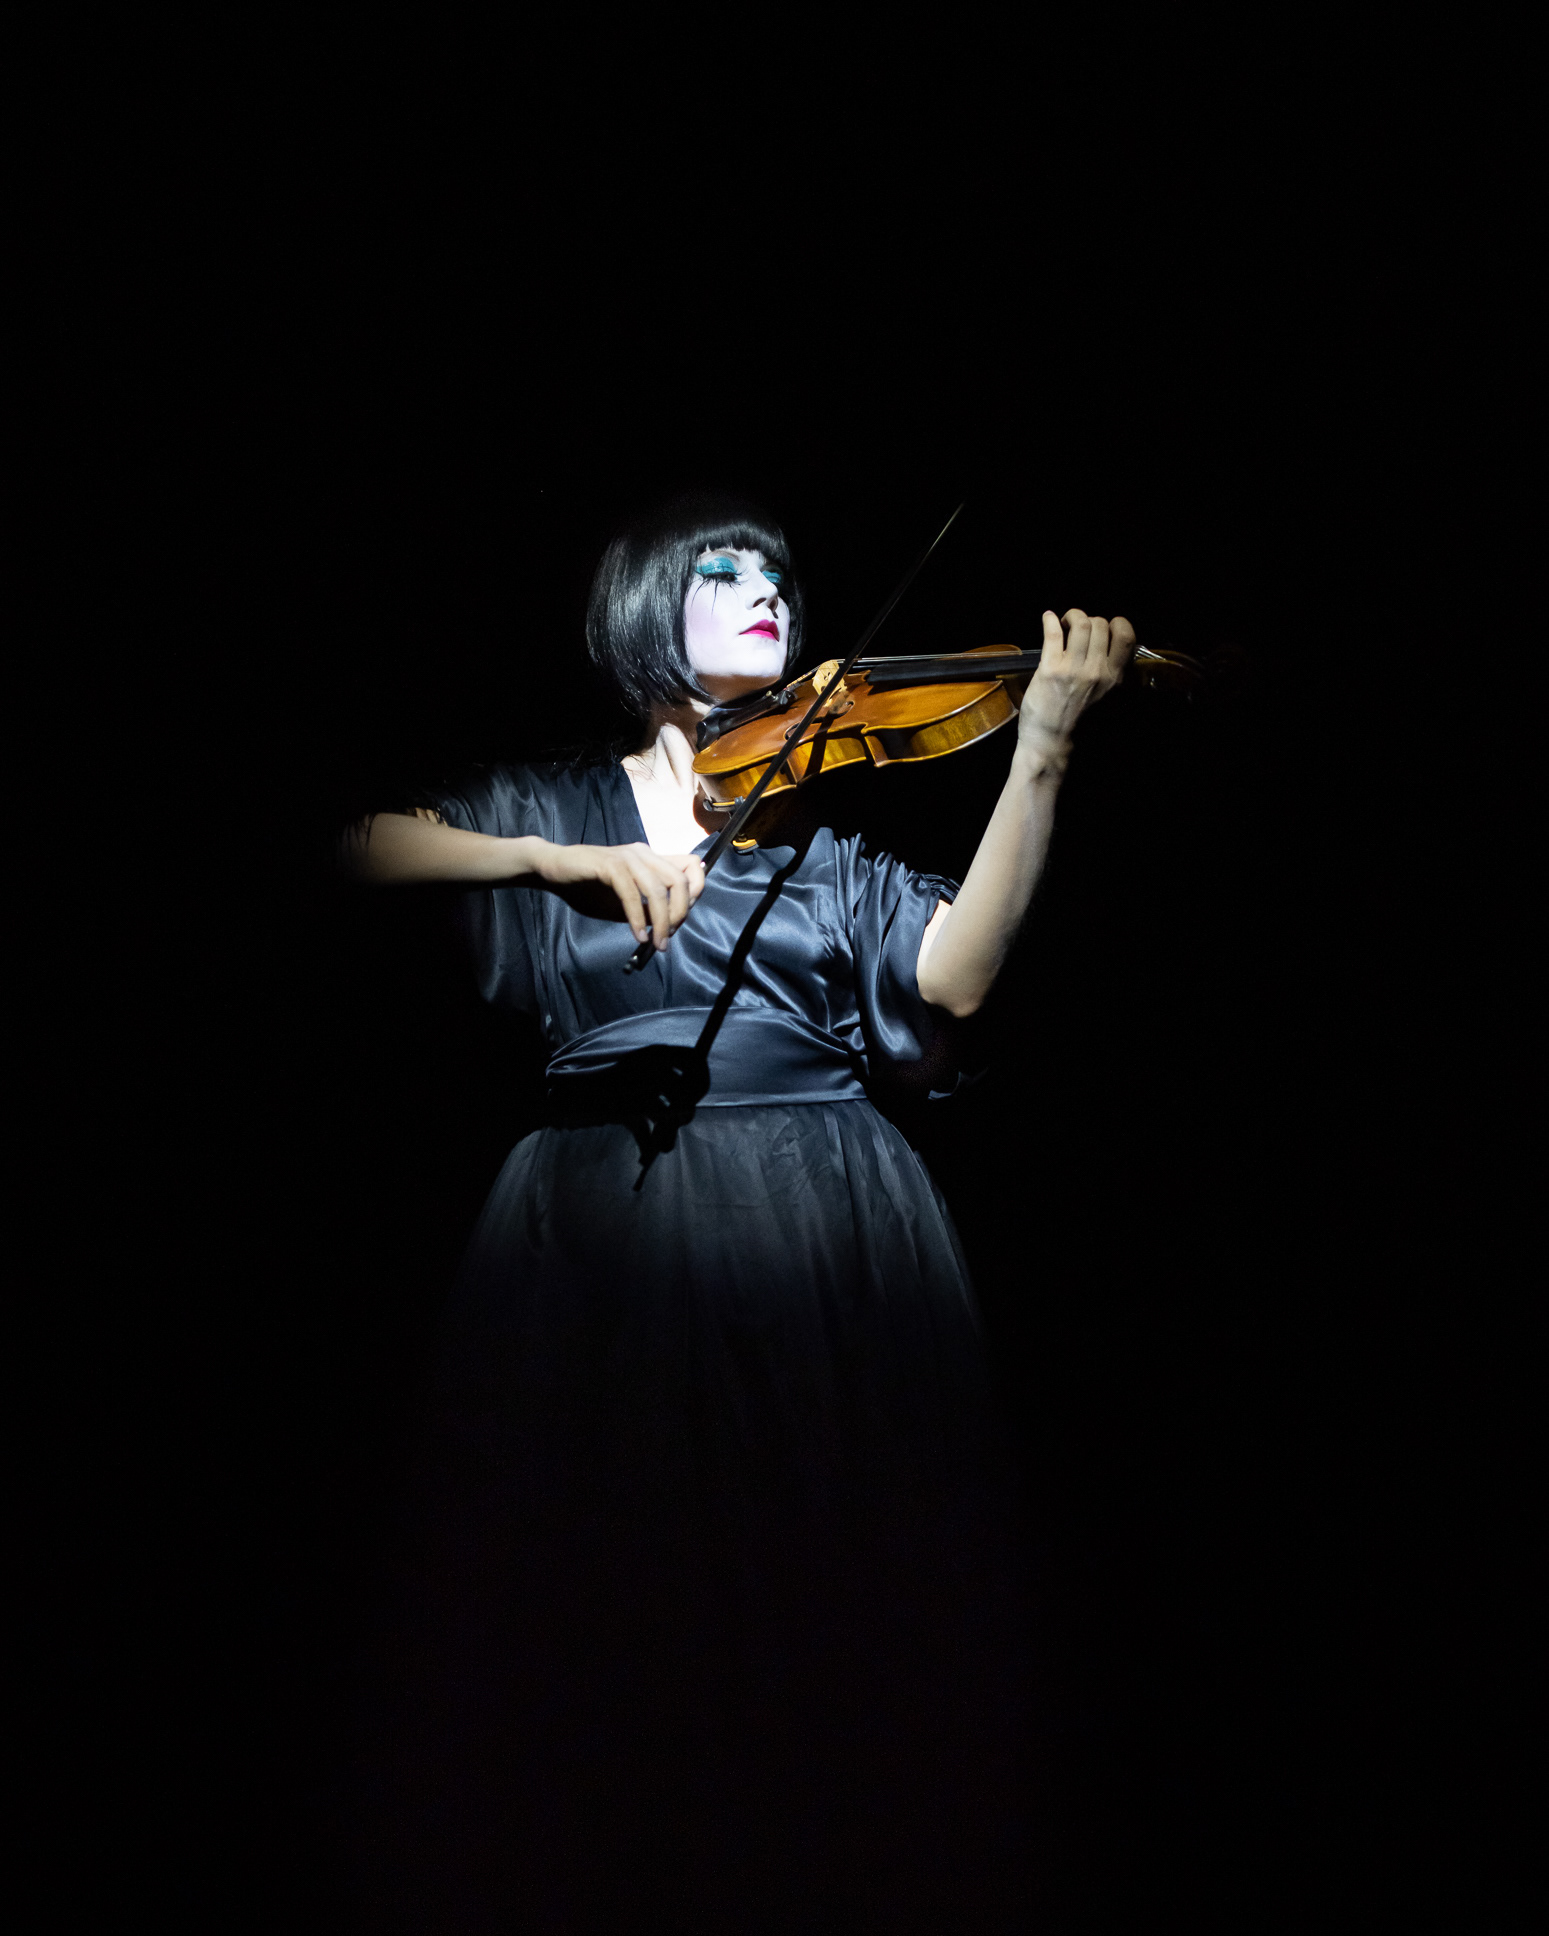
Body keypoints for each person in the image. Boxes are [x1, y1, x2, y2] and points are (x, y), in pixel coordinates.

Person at [341, 492, 1135, 1931]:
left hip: (822, 1217)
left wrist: (1042, 751)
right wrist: (555, 862)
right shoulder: (542, 804)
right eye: (725, 569)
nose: (767, 589)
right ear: (644, 605)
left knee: (829, 1584)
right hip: (602, 1224)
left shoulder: (825, 864)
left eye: (779, 572)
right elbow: (367, 847)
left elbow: (952, 982)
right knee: (606, 1587)